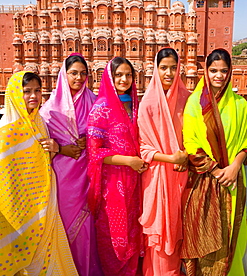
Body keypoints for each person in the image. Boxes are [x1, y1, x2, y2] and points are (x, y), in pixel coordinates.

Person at [0, 71, 79, 275]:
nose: (33, 96)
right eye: (27, 91)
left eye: (37, 90)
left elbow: (42, 159)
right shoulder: (6, 130)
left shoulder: (39, 123)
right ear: (16, 94)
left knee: (43, 252)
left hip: (42, 198)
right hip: (16, 202)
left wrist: (55, 147)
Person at [181, 48, 247, 275]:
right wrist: (218, 171)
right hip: (205, 182)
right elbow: (191, 145)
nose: (218, 75)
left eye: (224, 71)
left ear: (229, 73)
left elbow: (245, 140)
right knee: (204, 237)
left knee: (232, 239)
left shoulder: (240, 105)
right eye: (213, 70)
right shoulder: (194, 104)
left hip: (234, 182)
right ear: (205, 71)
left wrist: (235, 166)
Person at [40, 54, 102, 276]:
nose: (79, 77)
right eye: (74, 73)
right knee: (65, 225)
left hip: (88, 174)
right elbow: (39, 143)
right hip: (63, 177)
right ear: (63, 75)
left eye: (83, 73)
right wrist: (60, 148)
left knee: (88, 227)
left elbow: (106, 134)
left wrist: (91, 140)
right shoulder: (49, 109)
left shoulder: (94, 102)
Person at [87, 57, 147, 276]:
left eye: (128, 75)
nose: (124, 79)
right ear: (109, 78)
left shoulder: (136, 105)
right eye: (119, 75)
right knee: (114, 235)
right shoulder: (101, 108)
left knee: (134, 230)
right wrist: (128, 161)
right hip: (112, 184)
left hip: (136, 181)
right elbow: (94, 153)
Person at [138, 47, 190, 276]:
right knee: (159, 236)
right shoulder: (147, 103)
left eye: (172, 68)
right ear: (155, 70)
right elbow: (143, 148)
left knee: (181, 230)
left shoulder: (188, 99)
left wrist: (186, 155)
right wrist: (171, 157)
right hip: (157, 177)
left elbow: (196, 136)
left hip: (182, 176)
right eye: (163, 68)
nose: (168, 73)